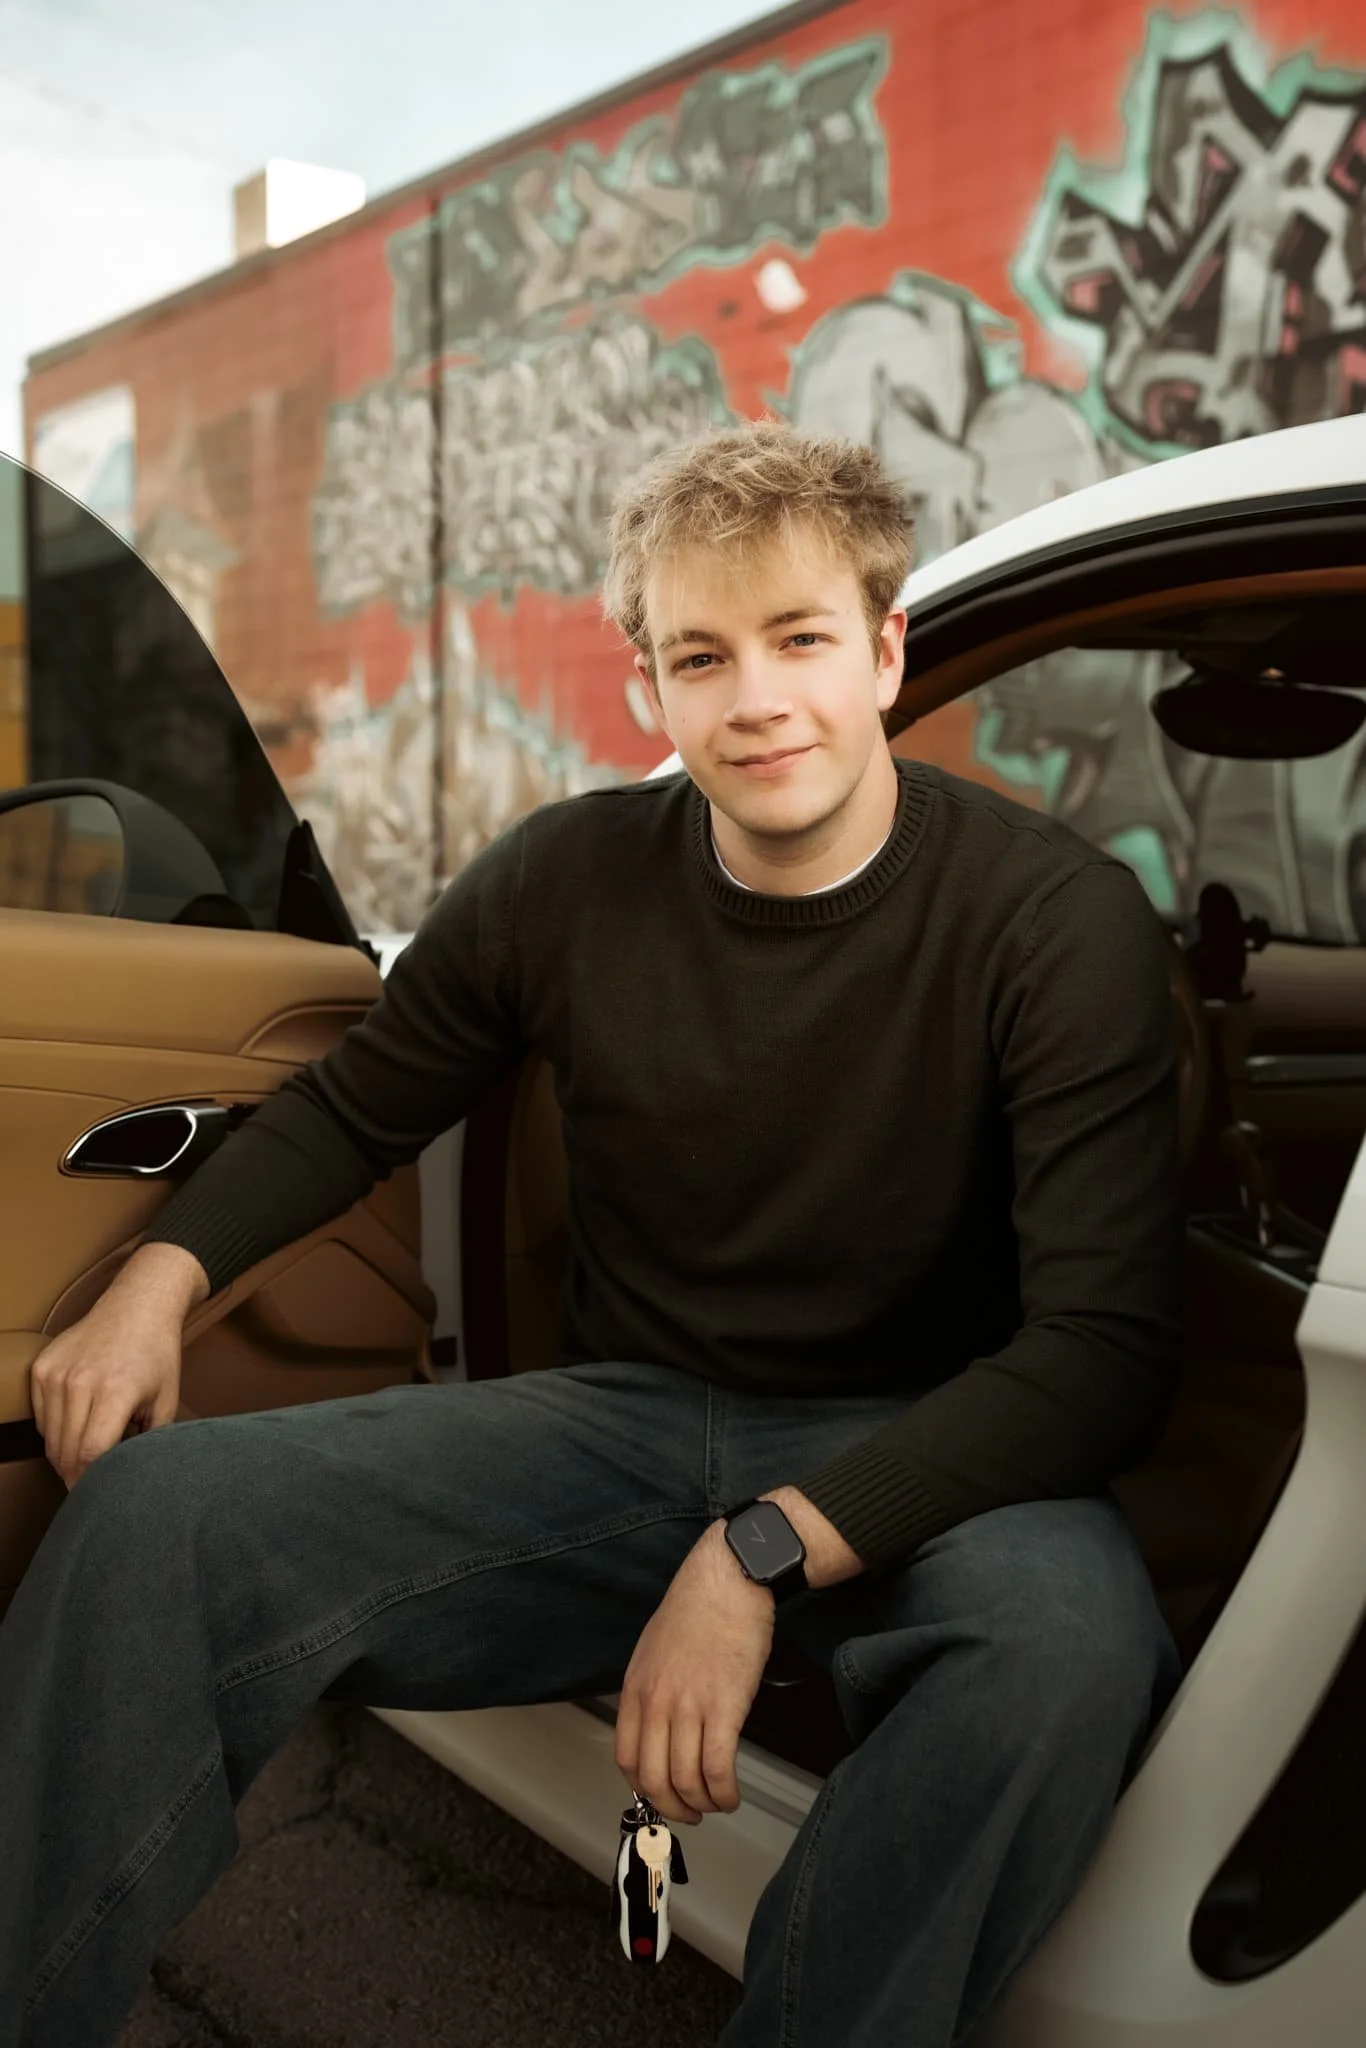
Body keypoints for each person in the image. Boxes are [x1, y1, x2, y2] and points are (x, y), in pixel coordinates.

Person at [0, 420, 1184, 2047]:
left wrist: (762, 1550)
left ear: (887, 652)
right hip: (628, 1430)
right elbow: (354, 1108)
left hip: (933, 1451)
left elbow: (1101, 1356)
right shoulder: (564, 880)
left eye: (800, 640)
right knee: (154, 1518)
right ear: (646, 687)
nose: (755, 698)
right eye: (702, 656)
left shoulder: (1053, 920)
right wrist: (155, 1281)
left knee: (1065, 1645)